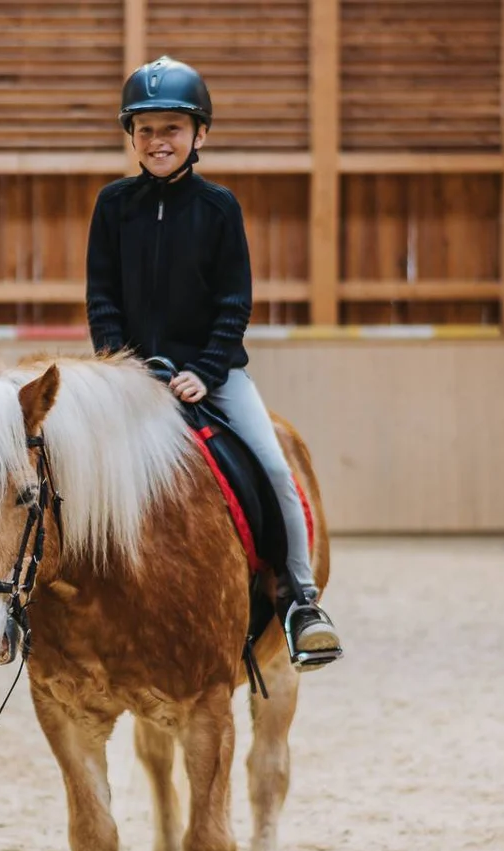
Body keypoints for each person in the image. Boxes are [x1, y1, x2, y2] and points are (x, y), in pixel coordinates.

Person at [84, 55, 343, 670]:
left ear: (199, 134)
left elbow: (234, 303)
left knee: (276, 470)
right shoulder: (112, 206)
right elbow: (103, 301)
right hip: (130, 380)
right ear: (131, 137)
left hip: (214, 376)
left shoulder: (219, 208)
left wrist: (206, 369)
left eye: (170, 128)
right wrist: (124, 368)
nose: (157, 141)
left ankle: (300, 598)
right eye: (144, 130)